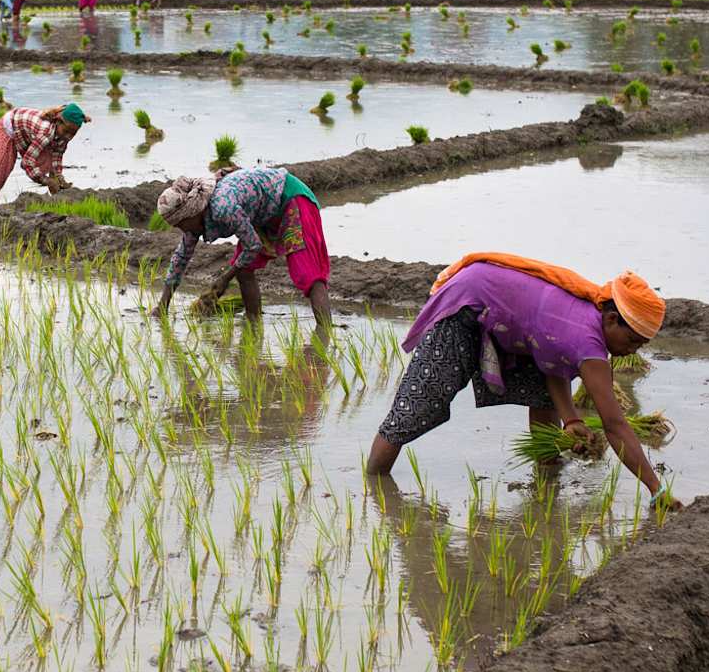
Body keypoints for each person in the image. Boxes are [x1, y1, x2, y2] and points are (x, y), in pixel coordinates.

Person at [364, 253, 671, 504]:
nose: (629, 351)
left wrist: (571, 420)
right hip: (467, 306)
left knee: (542, 394)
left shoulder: (587, 320)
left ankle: (547, 481)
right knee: (418, 404)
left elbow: (552, 364)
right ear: (612, 319)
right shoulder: (588, 342)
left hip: (511, 321)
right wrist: (656, 488)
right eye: (631, 342)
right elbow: (614, 424)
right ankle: (375, 488)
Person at [152, 167, 335, 325]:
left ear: (191, 213)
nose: (180, 229)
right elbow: (180, 258)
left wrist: (223, 280)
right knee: (244, 269)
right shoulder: (194, 224)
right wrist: (162, 305)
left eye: (180, 224)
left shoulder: (223, 208)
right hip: (264, 213)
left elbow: (253, 246)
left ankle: (325, 334)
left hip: (291, 199)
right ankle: (253, 325)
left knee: (307, 273)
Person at [0, 102, 86, 202]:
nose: (68, 136)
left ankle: (56, 195)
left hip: (27, 133)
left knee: (49, 161)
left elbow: (57, 156)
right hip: (9, 127)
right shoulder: (45, 133)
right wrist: (45, 180)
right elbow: (27, 162)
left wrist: (60, 178)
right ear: (58, 122)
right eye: (66, 131)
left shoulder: (64, 134)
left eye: (73, 132)